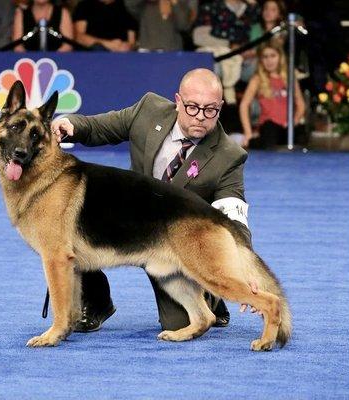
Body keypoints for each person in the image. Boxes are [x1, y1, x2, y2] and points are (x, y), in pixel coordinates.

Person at [51, 68, 256, 333]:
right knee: (67, 223)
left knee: (180, 322)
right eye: (192, 107)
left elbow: (233, 217)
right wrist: (72, 125)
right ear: (178, 101)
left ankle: (210, 294)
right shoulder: (148, 110)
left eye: (210, 110)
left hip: (176, 240)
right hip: (129, 220)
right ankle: (96, 299)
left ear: (220, 107)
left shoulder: (229, 156)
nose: (200, 117)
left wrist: (244, 264)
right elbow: (100, 127)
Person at [239, 41, 306, 149]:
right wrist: (248, 132)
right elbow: (244, 105)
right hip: (269, 127)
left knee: (301, 135)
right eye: (265, 57)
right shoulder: (258, 79)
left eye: (273, 56)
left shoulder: (289, 78)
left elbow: (300, 103)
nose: (269, 61)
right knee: (270, 130)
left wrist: (294, 121)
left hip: (287, 126)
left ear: (280, 57)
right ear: (261, 60)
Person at [124, 0, 195, 51]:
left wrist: (175, 3)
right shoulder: (145, 5)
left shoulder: (180, 3)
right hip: (147, 49)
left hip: (172, 50)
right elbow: (129, 4)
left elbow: (183, 26)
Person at [73, 0, 137, 52]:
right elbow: (78, 37)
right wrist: (109, 45)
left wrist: (126, 47)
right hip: (91, 55)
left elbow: (131, 43)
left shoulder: (127, 9)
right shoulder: (85, 6)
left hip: (120, 57)